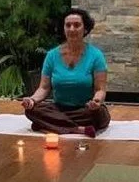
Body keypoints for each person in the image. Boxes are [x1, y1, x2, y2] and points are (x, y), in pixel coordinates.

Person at [22, 8, 110, 137]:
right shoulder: (52, 55)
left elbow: (100, 89)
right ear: (63, 29)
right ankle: (78, 129)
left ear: (85, 29)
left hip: (85, 110)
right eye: (68, 25)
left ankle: (50, 125)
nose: (72, 29)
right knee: (31, 111)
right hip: (59, 109)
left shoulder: (96, 55)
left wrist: (96, 102)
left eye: (77, 25)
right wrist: (32, 100)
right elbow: (44, 88)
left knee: (101, 116)